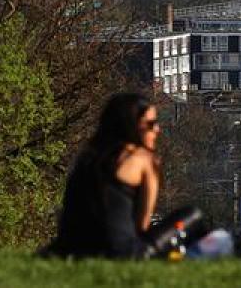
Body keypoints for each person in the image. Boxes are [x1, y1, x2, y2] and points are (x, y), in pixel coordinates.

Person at [47, 93, 164, 258]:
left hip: (70, 248)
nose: (157, 130)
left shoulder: (86, 157)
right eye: (151, 124)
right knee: (192, 215)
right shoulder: (143, 159)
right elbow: (142, 225)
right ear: (132, 125)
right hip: (120, 250)